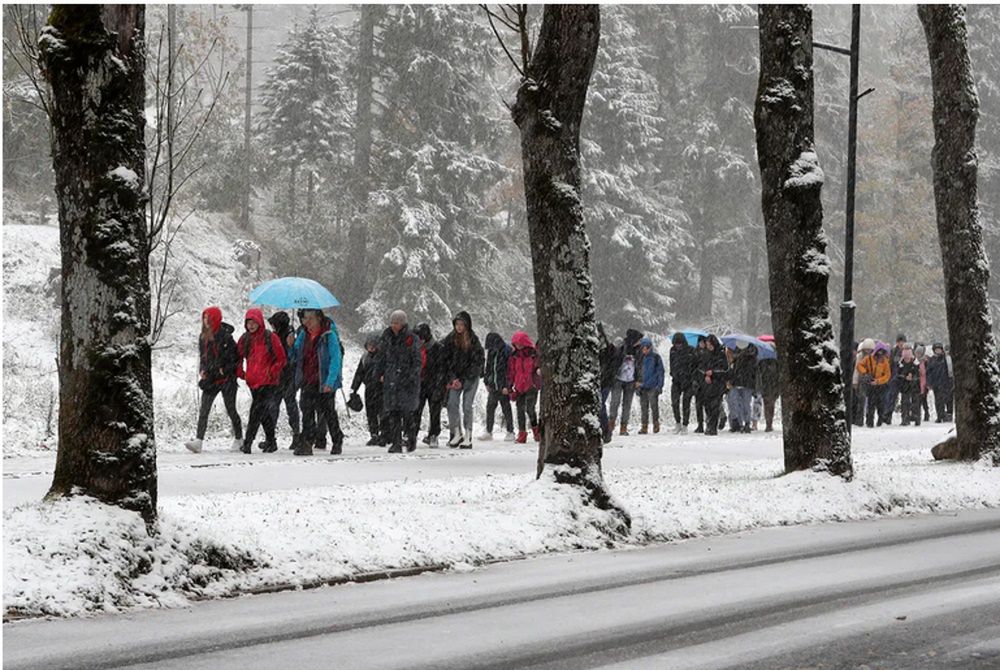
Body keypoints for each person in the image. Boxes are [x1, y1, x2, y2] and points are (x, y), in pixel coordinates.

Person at [186, 307, 242, 453]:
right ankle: (199, 440)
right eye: (204, 318)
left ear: (215, 319)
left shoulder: (226, 337)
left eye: (208, 318)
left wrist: (224, 370)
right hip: (211, 379)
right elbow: (202, 357)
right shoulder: (202, 337)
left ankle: (239, 438)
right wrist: (202, 370)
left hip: (226, 379)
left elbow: (235, 358)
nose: (206, 322)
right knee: (204, 410)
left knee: (231, 409)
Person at [288, 309, 344, 456]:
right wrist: (291, 345)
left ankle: (337, 439)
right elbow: (294, 356)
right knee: (306, 412)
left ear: (319, 319)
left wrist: (330, 382)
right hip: (307, 380)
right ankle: (307, 443)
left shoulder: (328, 336)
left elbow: (335, 360)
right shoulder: (303, 335)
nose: (307, 322)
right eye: (305, 319)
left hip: (323, 381)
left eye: (311, 319)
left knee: (328, 413)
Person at [236, 308, 287, 453]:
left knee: (256, 410)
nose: (251, 325)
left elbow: (281, 359)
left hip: (268, 382)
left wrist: (272, 371)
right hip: (252, 381)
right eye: (248, 323)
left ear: (259, 322)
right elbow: (237, 357)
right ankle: (271, 441)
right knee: (263, 412)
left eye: (253, 322)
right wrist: (240, 371)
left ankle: (248, 442)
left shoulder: (270, 337)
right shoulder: (245, 339)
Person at [375, 310, 422, 453]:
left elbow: (417, 361)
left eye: (397, 323)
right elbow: (381, 357)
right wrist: (379, 373)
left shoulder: (411, 338)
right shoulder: (386, 337)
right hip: (391, 380)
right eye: (392, 322)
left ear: (403, 323)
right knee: (393, 412)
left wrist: (411, 376)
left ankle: (411, 438)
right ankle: (396, 442)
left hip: (407, 381)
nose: (394, 325)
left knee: (407, 413)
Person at [441, 311, 485, 448]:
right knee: (451, 403)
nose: (459, 327)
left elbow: (478, 362)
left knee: (467, 405)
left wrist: (465, 378)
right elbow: (445, 361)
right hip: (455, 378)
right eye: (457, 324)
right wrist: (453, 379)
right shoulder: (450, 340)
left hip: (471, 378)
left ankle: (468, 434)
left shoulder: (473, 340)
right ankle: (456, 432)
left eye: (462, 324)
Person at [266, 311, 301, 451]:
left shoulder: (289, 336)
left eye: (274, 324)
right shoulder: (276, 336)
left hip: (287, 376)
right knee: (276, 407)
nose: (272, 326)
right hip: (279, 376)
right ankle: (272, 437)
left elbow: (292, 357)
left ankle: (295, 435)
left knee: (285, 406)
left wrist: (291, 346)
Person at [415, 323, 447, 447]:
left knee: (434, 411)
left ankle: (433, 435)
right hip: (420, 383)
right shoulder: (415, 349)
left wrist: (441, 384)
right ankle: (412, 434)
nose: (420, 341)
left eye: (422, 338)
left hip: (434, 384)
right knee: (416, 411)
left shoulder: (438, 348)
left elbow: (442, 368)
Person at [507, 330, 542, 443]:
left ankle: (536, 430)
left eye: (520, 343)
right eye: (516, 343)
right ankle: (522, 433)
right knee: (519, 410)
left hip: (531, 385)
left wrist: (537, 375)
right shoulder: (514, 357)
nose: (518, 345)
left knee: (530, 408)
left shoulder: (533, 354)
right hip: (519, 387)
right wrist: (510, 386)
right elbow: (512, 372)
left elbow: (537, 367)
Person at [481, 332, 514, 441]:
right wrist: (486, 381)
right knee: (490, 407)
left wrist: (507, 386)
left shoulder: (507, 351)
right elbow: (489, 367)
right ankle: (488, 431)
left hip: (503, 386)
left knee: (506, 408)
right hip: (493, 385)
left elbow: (510, 370)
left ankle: (510, 431)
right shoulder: (491, 352)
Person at [609, 329, 643, 436]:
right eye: (638, 339)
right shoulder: (621, 347)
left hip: (631, 381)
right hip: (618, 379)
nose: (640, 342)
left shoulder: (639, 350)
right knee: (615, 402)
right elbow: (614, 361)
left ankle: (623, 428)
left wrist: (639, 380)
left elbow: (640, 366)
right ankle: (610, 425)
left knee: (627, 405)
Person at [351, 334, 383, 446]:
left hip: (381, 389)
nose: (371, 347)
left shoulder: (383, 356)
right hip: (369, 388)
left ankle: (384, 434)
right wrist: (354, 388)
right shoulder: (365, 357)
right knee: (371, 412)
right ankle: (374, 434)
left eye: (373, 345)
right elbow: (359, 373)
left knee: (383, 412)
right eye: (369, 345)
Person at [698, 335, 729, 436]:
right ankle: (709, 424)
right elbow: (701, 366)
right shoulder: (705, 354)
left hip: (717, 384)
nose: (708, 347)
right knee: (707, 405)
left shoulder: (720, 354)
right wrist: (705, 374)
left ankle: (713, 426)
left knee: (715, 406)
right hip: (706, 384)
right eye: (707, 345)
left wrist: (713, 373)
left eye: (710, 345)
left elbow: (724, 370)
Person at [856, 342, 892, 427]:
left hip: (881, 386)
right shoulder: (868, 359)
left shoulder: (885, 362)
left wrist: (878, 381)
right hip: (871, 386)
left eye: (882, 355)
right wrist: (865, 373)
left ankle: (880, 420)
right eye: (879, 355)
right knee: (871, 404)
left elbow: (887, 375)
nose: (880, 357)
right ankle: (869, 422)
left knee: (880, 405)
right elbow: (859, 365)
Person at [668, 333, 697, 434]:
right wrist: (673, 373)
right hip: (676, 380)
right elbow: (671, 363)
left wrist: (691, 378)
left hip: (688, 381)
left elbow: (694, 366)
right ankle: (677, 423)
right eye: (676, 344)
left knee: (686, 403)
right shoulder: (672, 351)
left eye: (680, 344)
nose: (678, 346)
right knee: (674, 402)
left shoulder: (691, 350)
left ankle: (685, 425)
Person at [636, 336, 665, 434]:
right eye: (643, 347)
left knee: (654, 407)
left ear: (650, 347)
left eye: (646, 347)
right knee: (644, 408)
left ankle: (656, 424)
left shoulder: (656, 358)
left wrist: (659, 386)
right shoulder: (640, 359)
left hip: (653, 386)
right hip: (642, 387)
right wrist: (637, 385)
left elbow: (660, 372)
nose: (645, 349)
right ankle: (644, 426)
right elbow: (637, 372)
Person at [727, 341, 757, 433]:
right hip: (741, 383)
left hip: (743, 383)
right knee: (742, 404)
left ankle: (743, 423)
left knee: (742, 404)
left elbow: (750, 372)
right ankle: (742, 423)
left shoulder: (746, 357)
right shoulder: (750, 357)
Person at [596, 323, 616, 443]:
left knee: (600, 405)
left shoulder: (608, 349)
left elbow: (611, 366)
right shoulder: (593, 348)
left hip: (605, 381)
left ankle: (605, 430)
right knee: (599, 405)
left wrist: (606, 376)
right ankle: (603, 430)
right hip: (597, 380)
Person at [896, 345, 923, 426]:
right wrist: (905, 377)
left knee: (916, 403)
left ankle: (917, 418)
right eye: (905, 358)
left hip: (914, 386)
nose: (907, 359)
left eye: (908, 358)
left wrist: (913, 377)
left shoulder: (915, 363)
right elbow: (898, 374)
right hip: (904, 386)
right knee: (904, 403)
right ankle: (905, 418)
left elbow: (918, 374)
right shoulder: (901, 364)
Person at [926, 343, 954, 422]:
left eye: (939, 349)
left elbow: (950, 371)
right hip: (936, 383)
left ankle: (948, 414)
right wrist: (929, 382)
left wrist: (950, 381)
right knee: (938, 401)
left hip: (945, 383)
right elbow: (928, 372)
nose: (938, 351)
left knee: (947, 399)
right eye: (936, 349)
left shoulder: (945, 359)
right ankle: (940, 415)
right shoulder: (932, 359)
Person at [757, 354, 780, 432]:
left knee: (768, 405)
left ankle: (769, 424)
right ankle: (769, 424)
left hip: (770, 386)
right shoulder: (764, 362)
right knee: (769, 405)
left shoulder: (763, 362)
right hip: (769, 386)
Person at [693, 336, 709, 433]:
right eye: (700, 343)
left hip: (706, 381)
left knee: (707, 405)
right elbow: (692, 367)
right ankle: (700, 424)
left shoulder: (709, 354)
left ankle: (708, 423)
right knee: (698, 405)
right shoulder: (695, 353)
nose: (702, 344)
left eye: (703, 342)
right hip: (698, 381)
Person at [914, 343, 931, 422]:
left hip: (924, 382)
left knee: (923, 399)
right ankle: (917, 414)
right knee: (918, 400)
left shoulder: (925, 361)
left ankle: (926, 413)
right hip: (917, 383)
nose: (917, 354)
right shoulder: (915, 361)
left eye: (919, 353)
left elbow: (928, 372)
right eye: (916, 353)